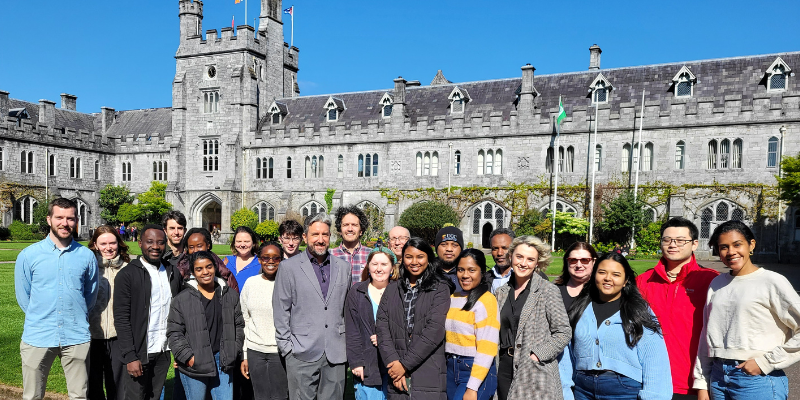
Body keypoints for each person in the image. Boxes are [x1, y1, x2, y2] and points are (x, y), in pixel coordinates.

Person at [693, 221, 800, 400]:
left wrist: (765, 362)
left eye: (737, 244)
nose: (731, 252)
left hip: (757, 379)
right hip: (718, 378)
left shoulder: (772, 281)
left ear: (751, 245)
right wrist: (702, 382)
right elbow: (707, 335)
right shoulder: (717, 284)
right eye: (724, 247)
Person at [15, 198, 99, 400]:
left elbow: (90, 295)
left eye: (70, 218)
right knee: (32, 396)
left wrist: (74, 314)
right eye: (59, 217)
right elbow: (23, 297)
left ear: (76, 220)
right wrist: (42, 315)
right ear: (49, 219)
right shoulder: (28, 256)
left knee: (79, 396)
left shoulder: (86, 256)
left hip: (75, 335)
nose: (65, 223)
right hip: (38, 335)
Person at [566, 252, 671, 400]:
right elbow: (566, 354)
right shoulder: (580, 308)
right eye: (602, 272)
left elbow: (654, 359)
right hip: (583, 389)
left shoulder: (637, 311)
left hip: (624, 390)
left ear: (625, 280)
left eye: (616, 274)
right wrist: (565, 391)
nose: (608, 278)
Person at [636, 218, 718, 400]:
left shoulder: (712, 281)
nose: (673, 245)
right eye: (667, 240)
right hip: (649, 379)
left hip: (692, 383)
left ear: (694, 244)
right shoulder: (643, 281)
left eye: (681, 240)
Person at [272, 213, 351, 400]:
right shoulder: (288, 268)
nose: (321, 240)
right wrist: (287, 349)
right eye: (315, 234)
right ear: (305, 237)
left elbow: (347, 309)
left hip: (336, 352)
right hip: (300, 352)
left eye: (325, 234)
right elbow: (281, 309)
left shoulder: (343, 267)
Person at [376, 237, 454, 400]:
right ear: (402, 259)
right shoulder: (392, 289)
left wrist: (404, 365)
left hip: (428, 372)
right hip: (397, 376)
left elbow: (434, 331)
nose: (414, 262)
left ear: (429, 259)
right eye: (409, 256)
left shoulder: (439, 289)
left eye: (420, 256)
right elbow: (382, 329)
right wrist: (394, 367)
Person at [494, 236, 571, 400]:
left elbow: (563, 332)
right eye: (519, 256)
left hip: (534, 370)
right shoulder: (500, 293)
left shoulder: (548, 291)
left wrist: (537, 355)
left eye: (530, 259)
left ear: (537, 263)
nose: (523, 263)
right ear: (511, 256)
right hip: (504, 367)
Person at [114, 224, 183, 400]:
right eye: (149, 242)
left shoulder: (172, 272)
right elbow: (121, 319)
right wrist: (130, 356)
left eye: (160, 242)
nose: (155, 246)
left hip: (163, 349)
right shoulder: (127, 275)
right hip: (139, 351)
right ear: (140, 243)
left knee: (154, 396)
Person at [167, 251, 244, 400]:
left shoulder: (229, 295)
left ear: (215, 267)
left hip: (223, 360)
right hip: (195, 362)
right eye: (199, 269)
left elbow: (238, 325)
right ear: (193, 272)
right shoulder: (182, 299)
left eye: (208, 267)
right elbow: (174, 332)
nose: (205, 272)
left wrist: (234, 349)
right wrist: (188, 356)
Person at [346, 247, 399, 400]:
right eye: (374, 264)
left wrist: (385, 338)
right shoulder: (357, 292)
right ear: (368, 267)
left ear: (392, 268)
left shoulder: (400, 292)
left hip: (395, 362)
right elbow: (352, 330)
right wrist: (356, 362)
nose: (379, 269)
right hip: (368, 362)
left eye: (384, 264)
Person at [445, 249, 499, 400]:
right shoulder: (453, 297)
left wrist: (473, 386)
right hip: (451, 366)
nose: (465, 275)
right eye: (461, 270)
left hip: (474, 370)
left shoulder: (486, 300)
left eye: (472, 270)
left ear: (482, 272)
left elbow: (487, 348)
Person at [240, 242, 289, 400]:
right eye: (266, 257)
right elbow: (244, 320)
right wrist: (245, 354)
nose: (271, 261)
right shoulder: (251, 283)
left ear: (281, 260)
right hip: (255, 351)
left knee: (280, 396)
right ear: (259, 260)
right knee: (260, 396)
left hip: (280, 352)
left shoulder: (288, 284)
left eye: (276, 258)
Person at [87, 225, 131, 400]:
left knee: (119, 388)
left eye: (112, 242)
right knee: (93, 387)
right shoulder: (88, 268)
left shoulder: (129, 268)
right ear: (95, 245)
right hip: (91, 336)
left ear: (119, 243)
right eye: (103, 243)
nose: (108, 248)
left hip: (119, 337)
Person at [175, 228, 239, 293]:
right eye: (191, 247)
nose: (195, 250)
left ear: (208, 245)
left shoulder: (221, 269)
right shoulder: (182, 268)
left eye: (199, 246)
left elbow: (233, 294)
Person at [331, 205, 373, 285]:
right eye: (345, 225)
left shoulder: (371, 255)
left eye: (354, 225)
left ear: (361, 230)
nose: (350, 229)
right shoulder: (330, 255)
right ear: (340, 230)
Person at [555, 242, 599, 311]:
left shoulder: (601, 290)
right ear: (567, 262)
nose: (579, 265)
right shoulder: (554, 289)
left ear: (594, 261)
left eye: (584, 260)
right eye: (573, 260)